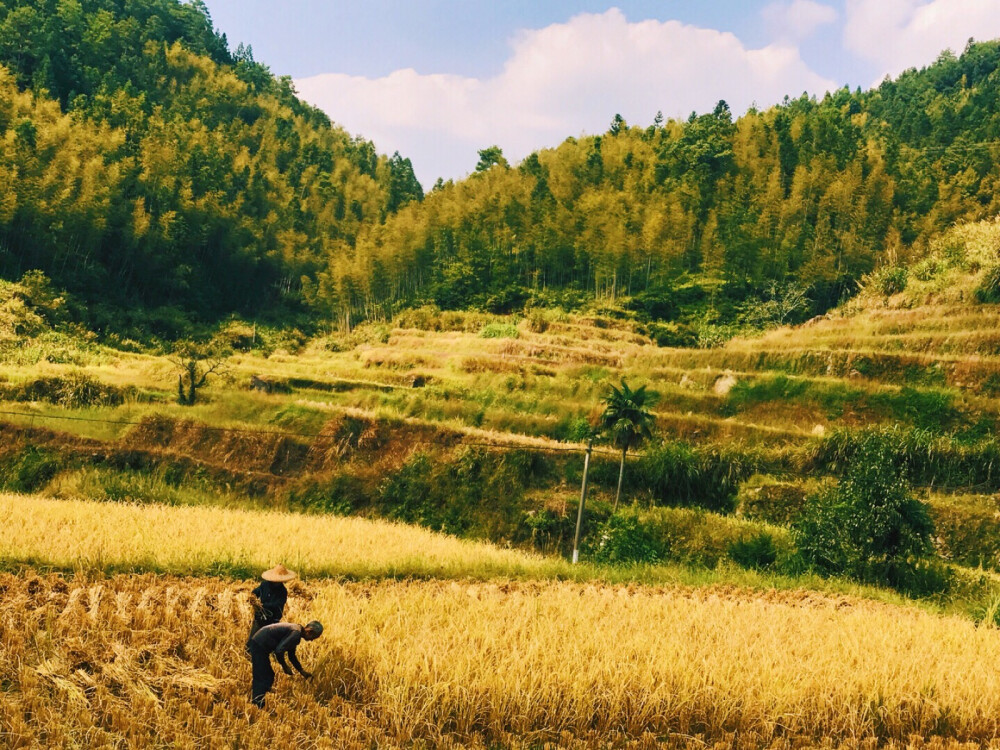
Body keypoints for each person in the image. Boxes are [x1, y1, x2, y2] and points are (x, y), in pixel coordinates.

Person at [247, 620, 323, 708]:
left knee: (268, 675)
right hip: (259, 644)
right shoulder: (295, 633)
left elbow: (291, 655)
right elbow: (279, 651)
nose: (312, 640)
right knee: (262, 676)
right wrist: (284, 666)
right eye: (313, 637)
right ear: (309, 632)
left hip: (260, 644)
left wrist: (302, 671)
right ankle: (257, 704)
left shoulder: (296, 632)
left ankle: (261, 698)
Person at [248, 564, 297, 642]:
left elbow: (277, 605)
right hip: (260, 616)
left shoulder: (283, 591)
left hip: (273, 618)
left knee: (268, 640)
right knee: (253, 638)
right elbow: (255, 592)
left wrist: (263, 605)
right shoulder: (264, 585)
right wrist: (252, 598)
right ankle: (249, 650)